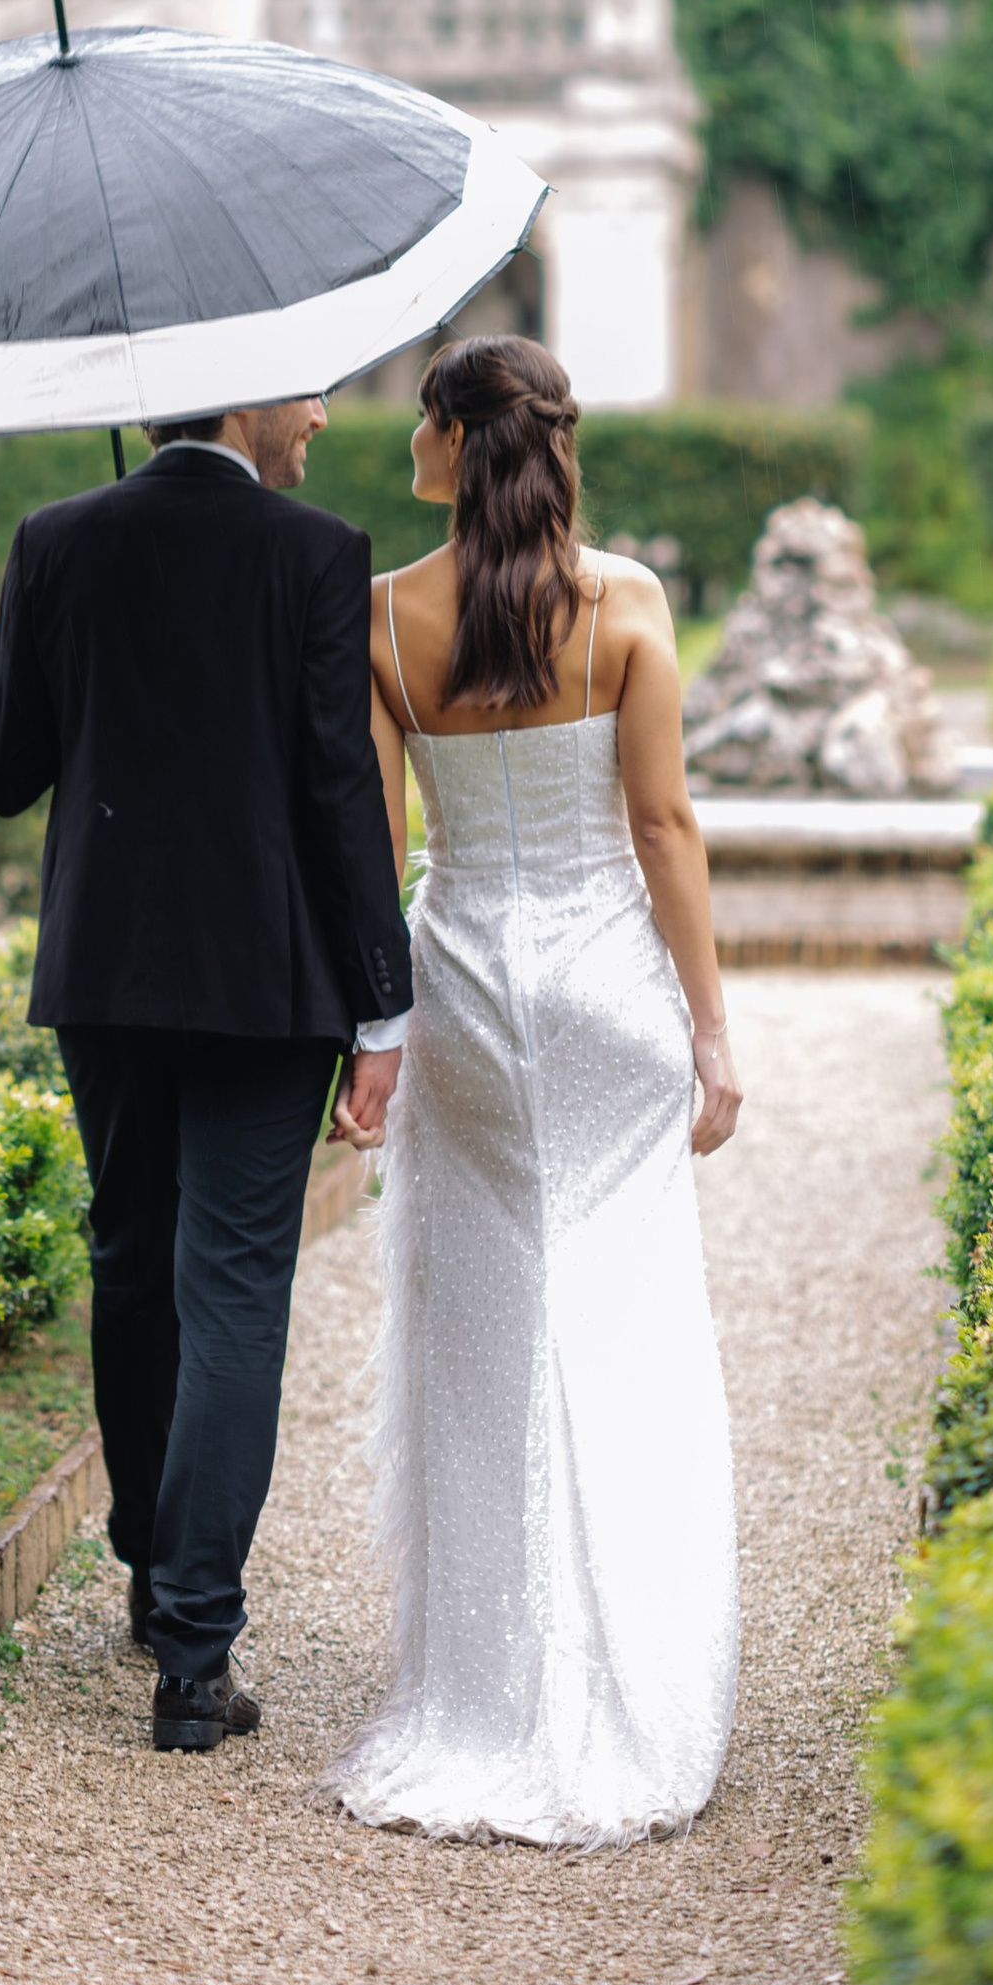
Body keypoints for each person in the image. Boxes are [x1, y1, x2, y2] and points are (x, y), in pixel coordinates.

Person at [331, 332, 743, 1845]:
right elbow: (664, 828)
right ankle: (643, 1664)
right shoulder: (624, 603)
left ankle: (493, 1684)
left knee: (489, 1338)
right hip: (609, 1009)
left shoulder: (381, 617)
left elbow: (381, 855)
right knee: (628, 1320)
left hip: (466, 1001)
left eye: (420, 425)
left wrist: (371, 1030)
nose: (406, 449)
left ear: (453, 439)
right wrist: (709, 1032)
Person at [0, 394, 413, 1753]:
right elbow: (345, 791)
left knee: (130, 1256)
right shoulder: (318, 553)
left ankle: (151, 1577)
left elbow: (4, 770)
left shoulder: (56, 538)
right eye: (308, 388)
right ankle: (194, 1651)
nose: (324, 411)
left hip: (107, 974)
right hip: (268, 984)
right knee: (229, 1286)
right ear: (239, 398)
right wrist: (382, 1014)